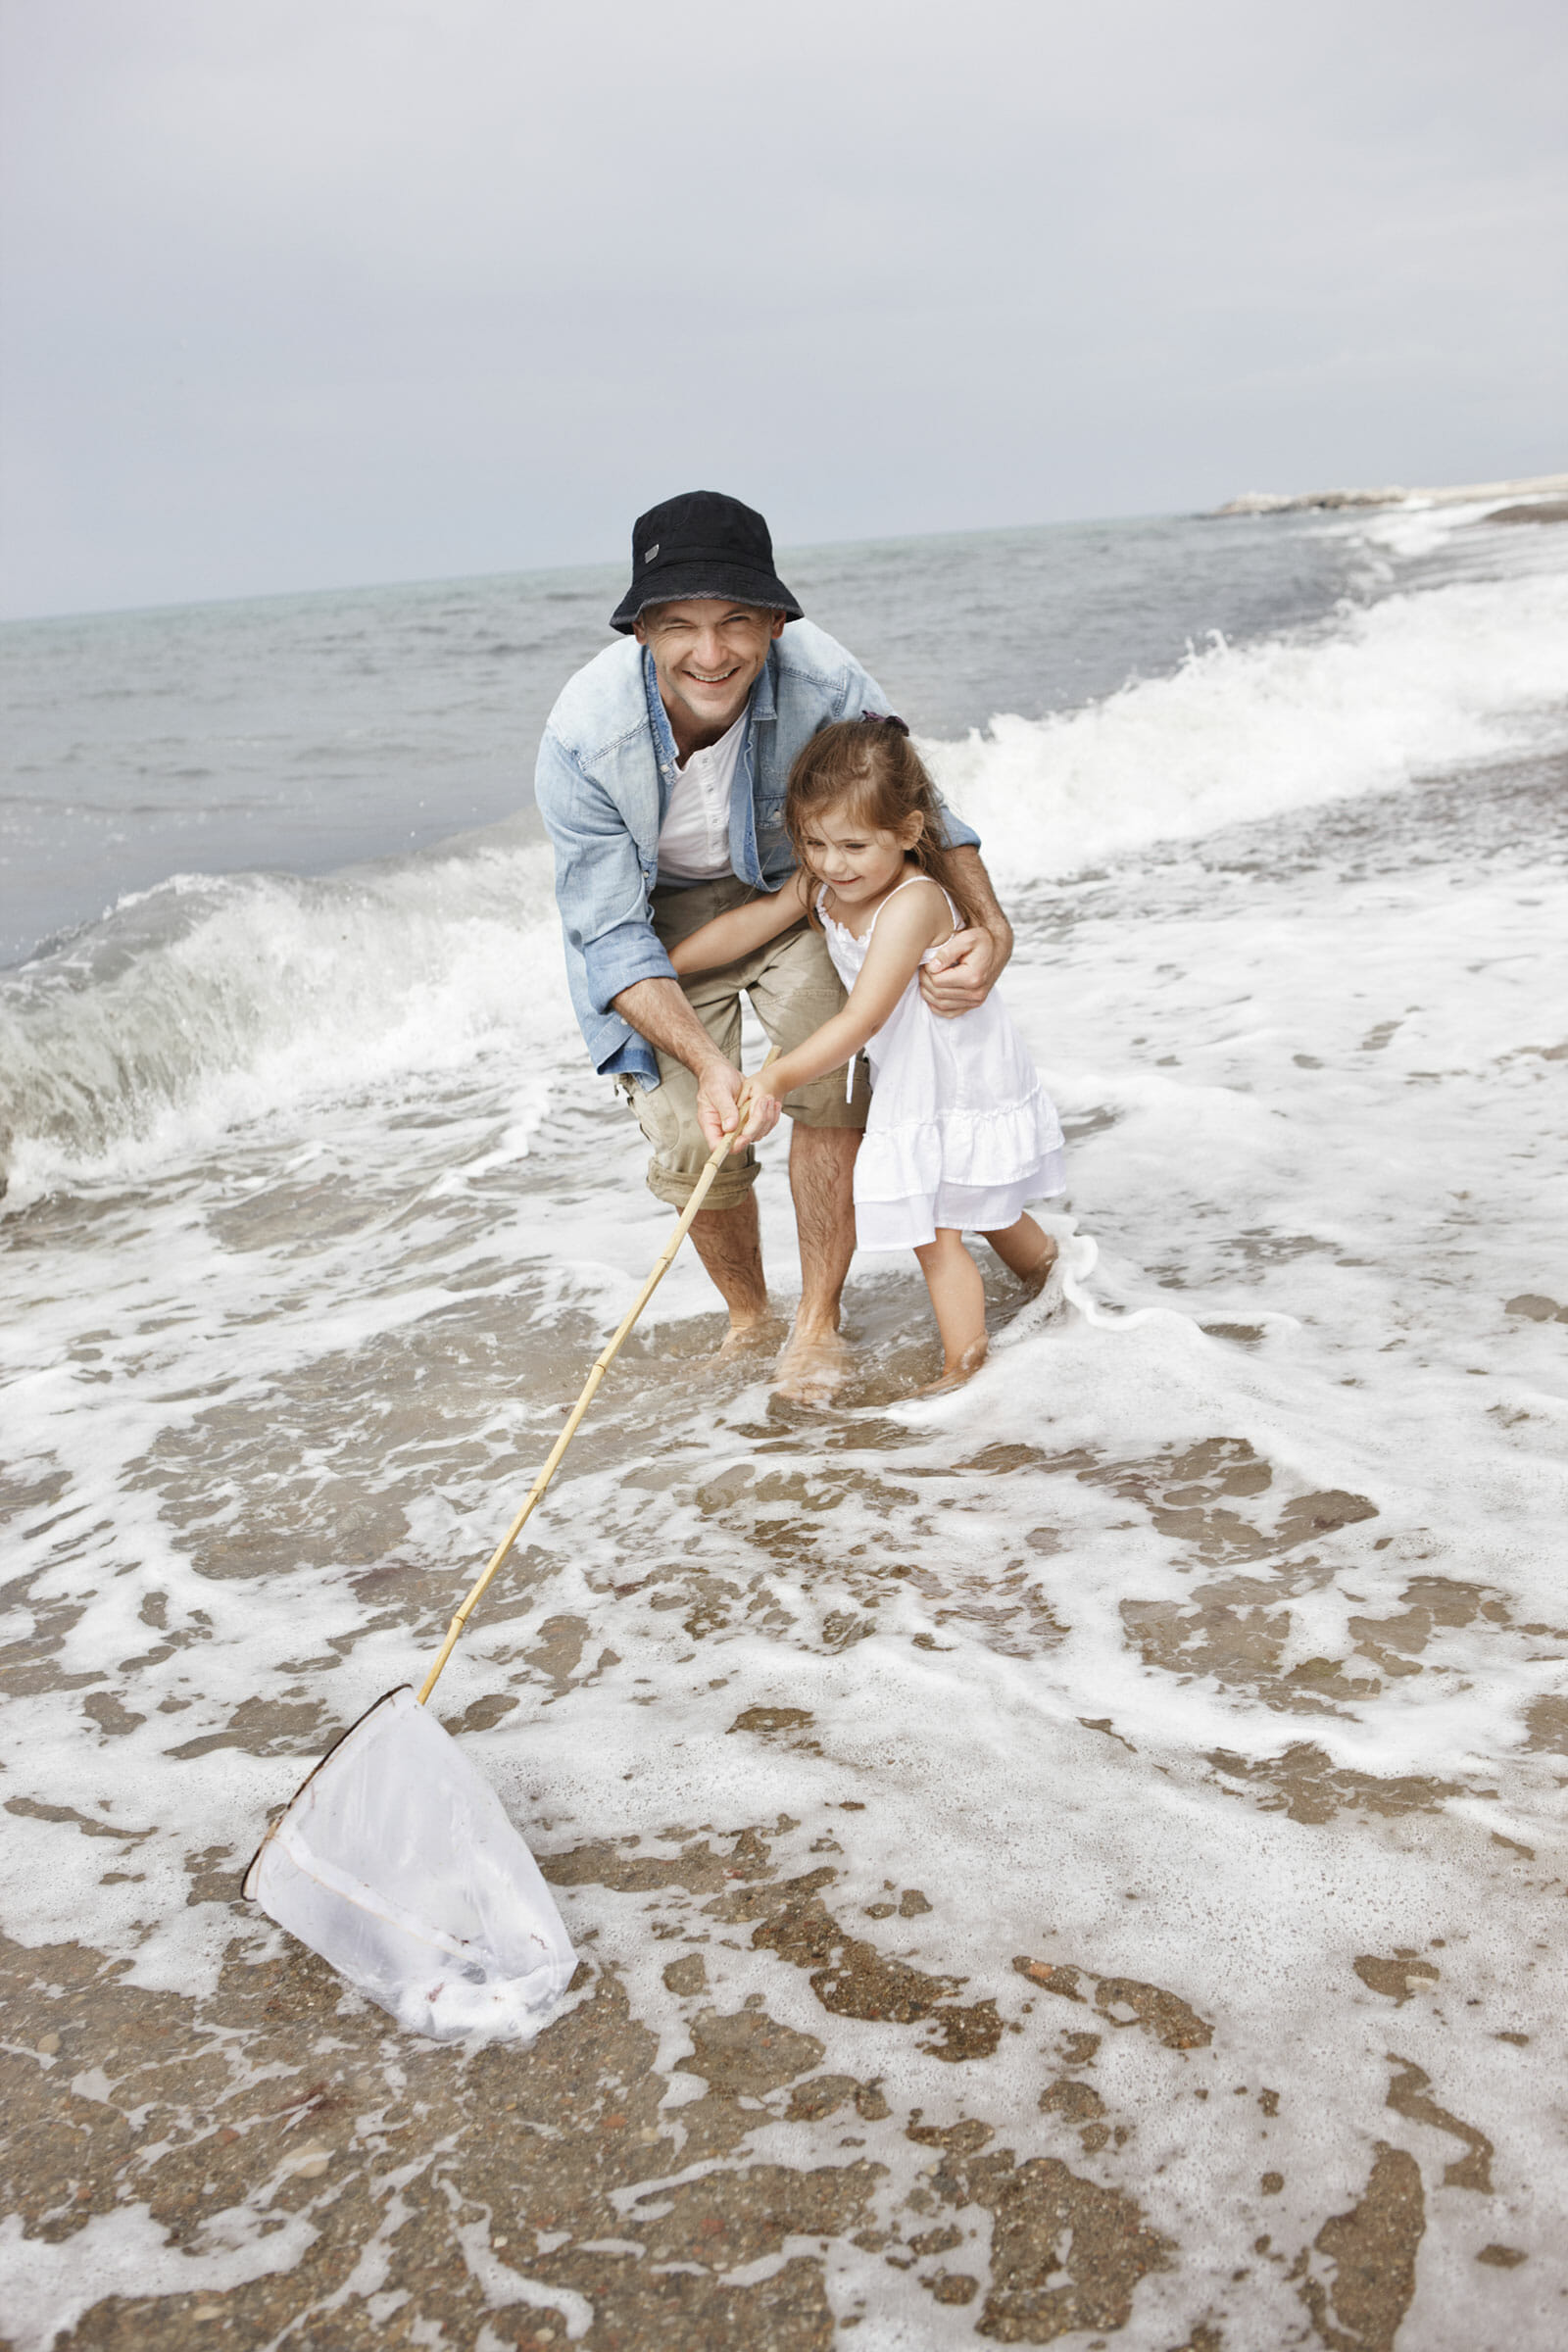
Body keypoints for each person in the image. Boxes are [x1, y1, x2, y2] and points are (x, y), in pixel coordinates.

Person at [534, 489, 1018, 1399]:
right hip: (656, 918)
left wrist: (992, 929)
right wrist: (709, 1066)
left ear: (777, 625)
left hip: (793, 889)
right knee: (690, 1131)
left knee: (829, 1080)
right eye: (679, 625)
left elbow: (926, 813)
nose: (709, 654)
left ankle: (816, 1323)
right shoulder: (581, 737)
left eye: (736, 623)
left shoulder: (829, 682)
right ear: (641, 630)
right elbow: (609, 932)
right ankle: (751, 1315)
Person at [670, 716, 1064, 1389]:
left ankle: (964, 1372)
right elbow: (744, 927)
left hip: (956, 1076)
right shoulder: (821, 886)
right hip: (914, 1072)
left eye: (854, 844)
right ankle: (1059, 1282)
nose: (831, 862)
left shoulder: (911, 903)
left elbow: (862, 1017)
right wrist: (663, 970)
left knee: (938, 1228)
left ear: (908, 833)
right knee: (980, 1205)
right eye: (815, 842)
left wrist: (777, 1077)